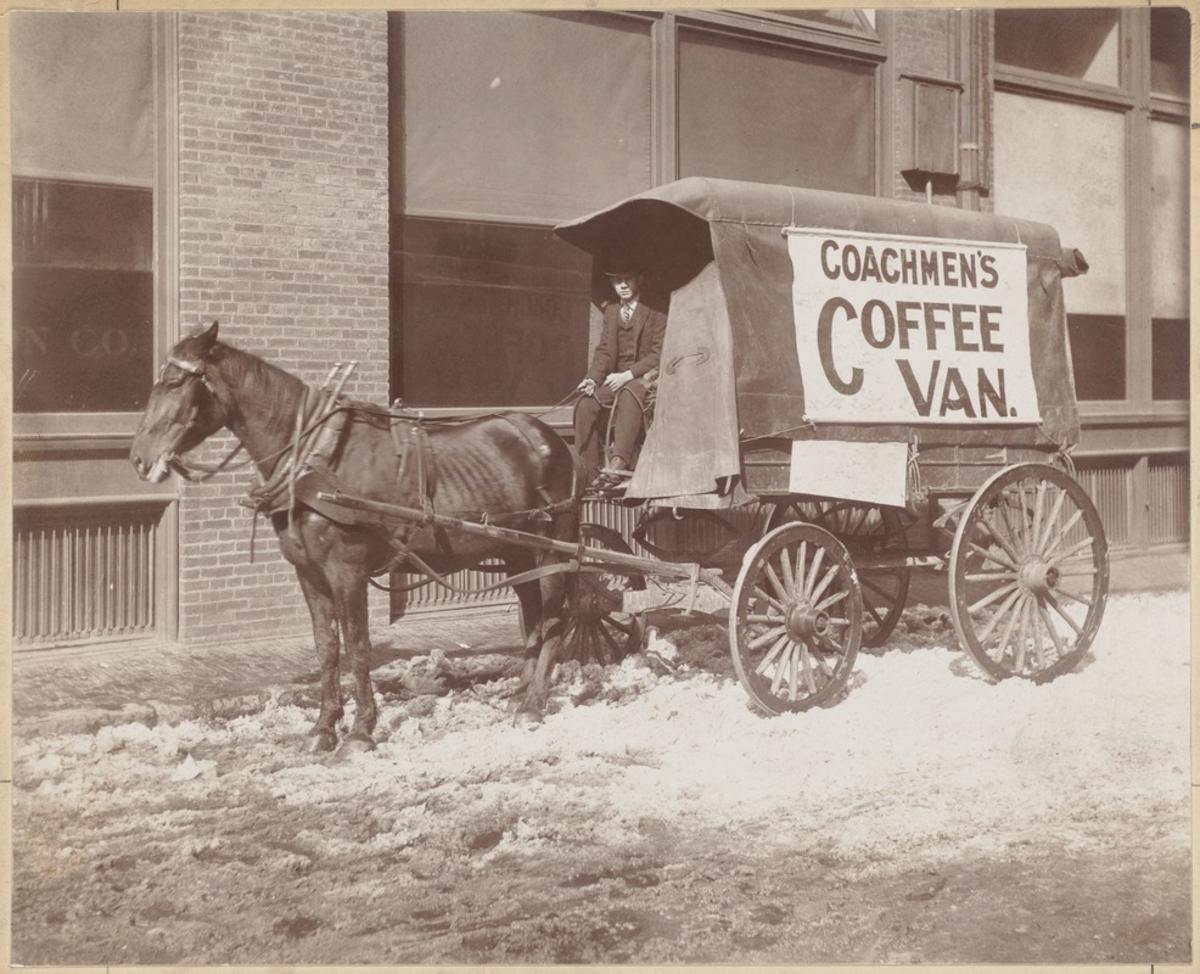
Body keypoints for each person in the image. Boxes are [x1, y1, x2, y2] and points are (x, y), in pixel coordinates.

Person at [573, 264, 667, 488]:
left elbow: (660, 353)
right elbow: (604, 351)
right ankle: (589, 471)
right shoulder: (612, 311)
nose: (622, 285)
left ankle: (619, 463)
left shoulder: (656, 310)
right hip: (617, 378)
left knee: (629, 392)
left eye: (627, 279)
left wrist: (627, 375)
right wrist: (592, 379)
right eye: (617, 281)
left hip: (648, 378)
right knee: (585, 403)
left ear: (639, 280)